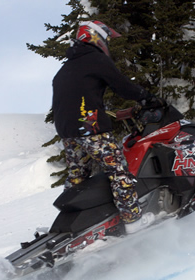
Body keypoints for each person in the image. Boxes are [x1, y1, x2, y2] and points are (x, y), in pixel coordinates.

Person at [52, 20, 158, 233]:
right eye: (106, 38)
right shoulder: (95, 59)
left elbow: (75, 100)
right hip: (91, 130)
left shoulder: (65, 69)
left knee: (77, 177)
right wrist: (146, 97)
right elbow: (122, 85)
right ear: (94, 36)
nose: (107, 42)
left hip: (68, 132)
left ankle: (68, 226)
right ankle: (133, 221)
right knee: (118, 170)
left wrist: (109, 114)